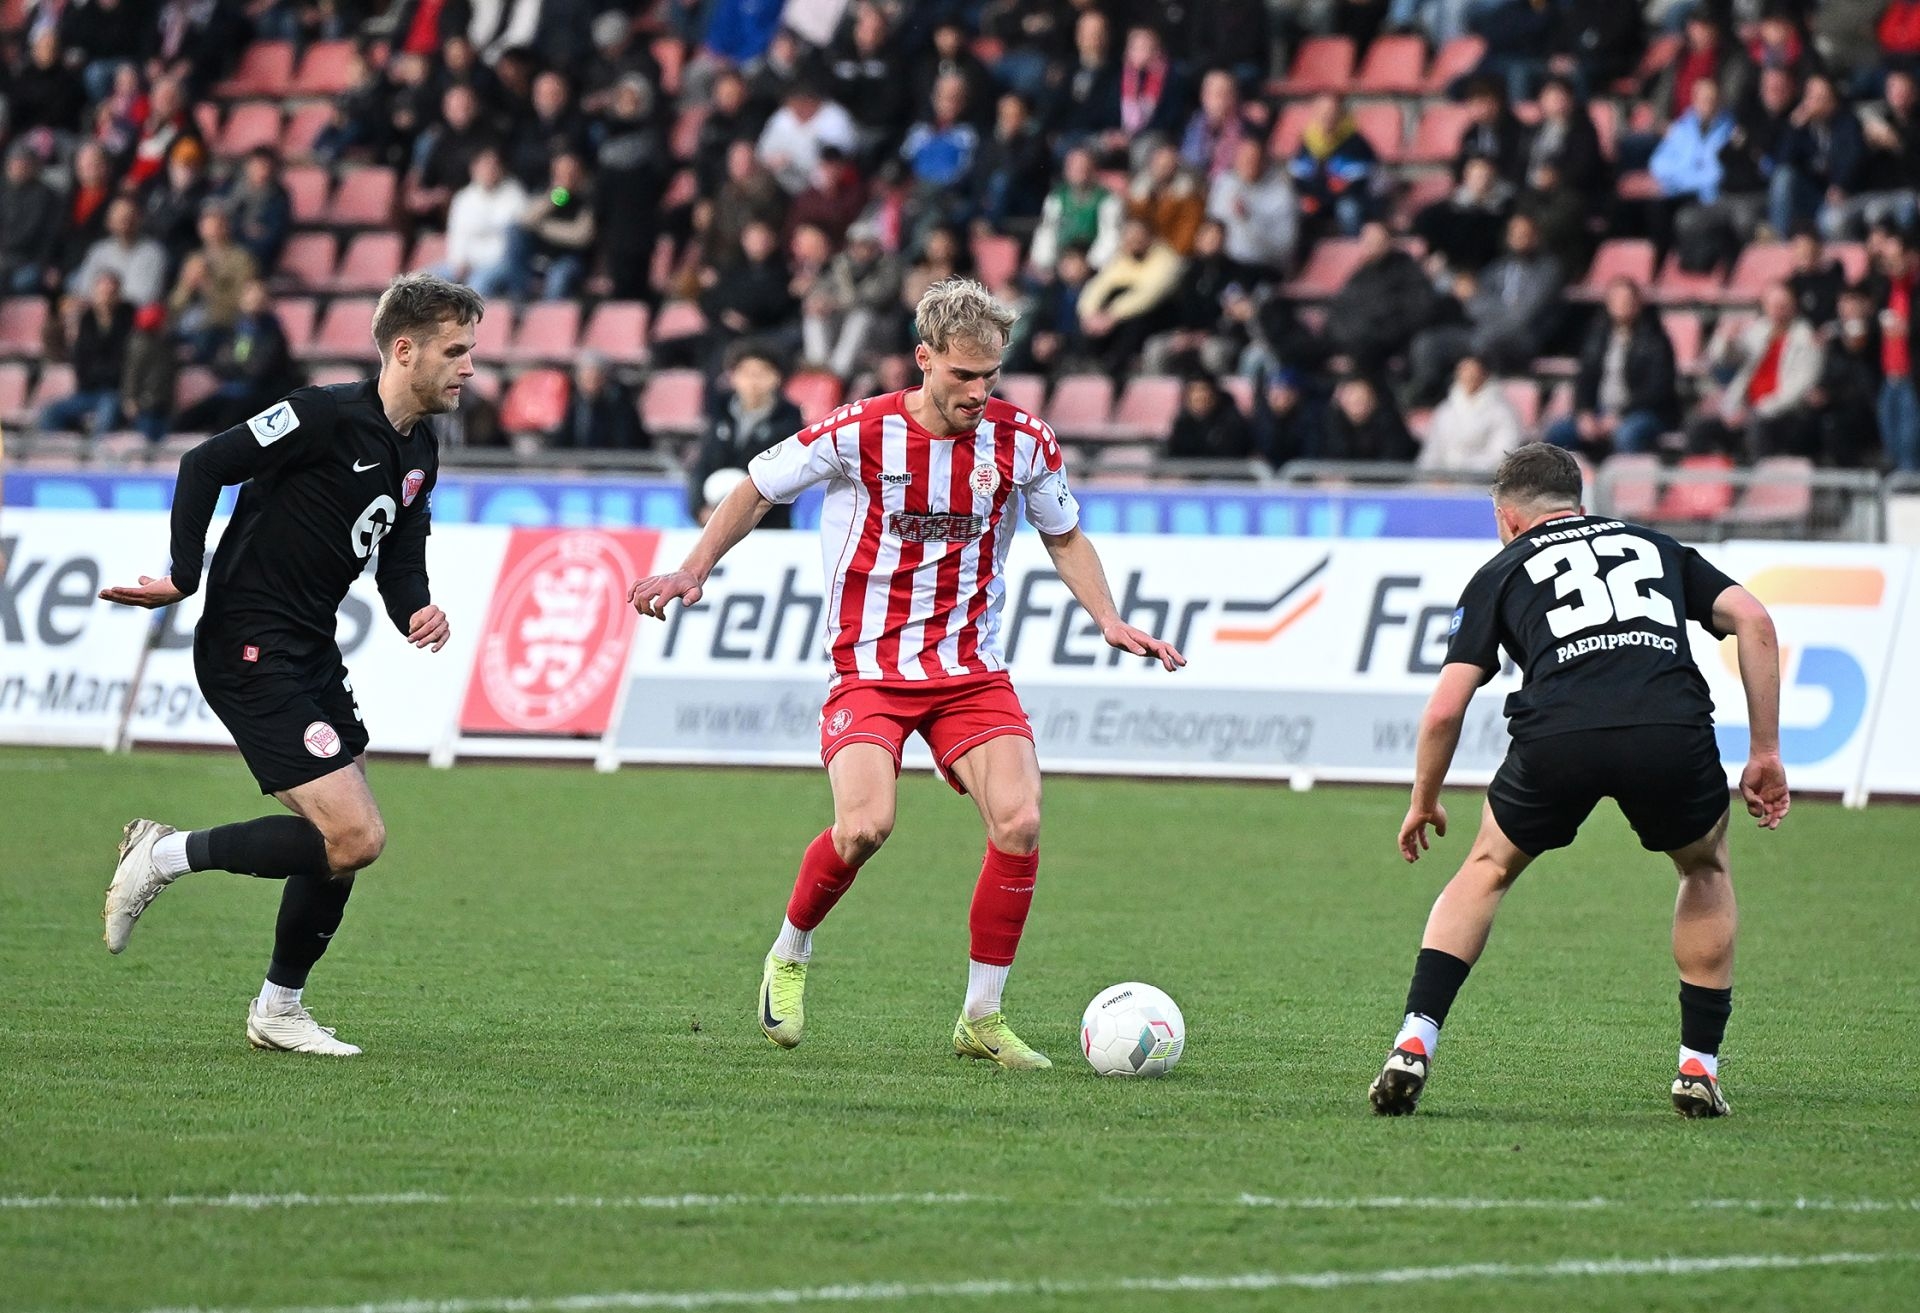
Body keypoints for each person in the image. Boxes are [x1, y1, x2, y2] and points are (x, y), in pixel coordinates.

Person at [631, 278, 1186, 1069]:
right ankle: (790, 951)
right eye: (963, 374)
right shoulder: (859, 431)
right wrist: (694, 568)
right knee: (865, 826)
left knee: (1021, 819)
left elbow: (1064, 536)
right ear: (924, 360)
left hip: (969, 670)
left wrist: (1108, 617)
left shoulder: (1024, 441)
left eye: (990, 375)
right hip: (870, 666)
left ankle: (981, 1016)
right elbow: (755, 488)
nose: (978, 392)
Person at [96, 275, 477, 1056]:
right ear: (405, 350)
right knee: (356, 836)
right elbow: (205, 462)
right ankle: (161, 854)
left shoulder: (420, 450)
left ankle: (278, 1009)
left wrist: (417, 609)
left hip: (310, 648)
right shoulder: (320, 414)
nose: (469, 366)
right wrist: (183, 573)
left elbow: (400, 558)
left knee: (339, 838)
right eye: (456, 351)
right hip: (249, 645)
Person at [1370, 443, 1788, 1120]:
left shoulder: (1500, 569)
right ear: (1578, 501)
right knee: (1703, 867)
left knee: (1487, 867)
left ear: (1508, 517)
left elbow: (1445, 708)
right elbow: (1755, 620)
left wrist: (1424, 799)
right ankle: (1698, 1067)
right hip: (1667, 728)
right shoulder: (1657, 546)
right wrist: (1764, 749)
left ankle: (1414, 1041)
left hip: (1559, 734)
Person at [1546, 278, 1679, 457]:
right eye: (1617, 300)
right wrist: (1585, 413)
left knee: (1627, 435)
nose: (1622, 305)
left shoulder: (1656, 341)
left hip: (1643, 413)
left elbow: (1657, 390)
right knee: (1558, 433)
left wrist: (1621, 415)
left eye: (1627, 300)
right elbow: (1584, 380)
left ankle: (1628, 475)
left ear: (1638, 304)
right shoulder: (1596, 338)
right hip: (1600, 411)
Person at [686, 341, 805, 527]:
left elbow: (789, 480)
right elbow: (702, 465)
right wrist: (700, 508)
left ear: (777, 377)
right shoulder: (719, 412)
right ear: (733, 377)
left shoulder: (789, 420)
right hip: (715, 522)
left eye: (761, 374)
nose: (752, 382)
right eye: (746, 373)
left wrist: (751, 515)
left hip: (768, 527)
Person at [42, 273, 135, 436]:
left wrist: (103, 375)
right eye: (102, 292)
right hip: (87, 391)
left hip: (114, 392)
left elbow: (125, 363)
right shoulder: (86, 322)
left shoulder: (127, 322)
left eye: (110, 292)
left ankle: (96, 450)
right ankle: (65, 450)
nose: (106, 297)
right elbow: (81, 362)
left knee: (107, 411)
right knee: (49, 413)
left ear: (118, 295)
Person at [1418, 355, 1524, 470]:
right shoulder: (1446, 410)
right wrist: (1432, 475)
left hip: (1483, 478)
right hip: (1443, 478)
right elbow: (1431, 452)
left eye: (1473, 372)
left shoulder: (1502, 411)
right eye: (1464, 371)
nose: (1468, 376)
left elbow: (1502, 454)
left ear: (1484, 374)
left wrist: (1460, 470)